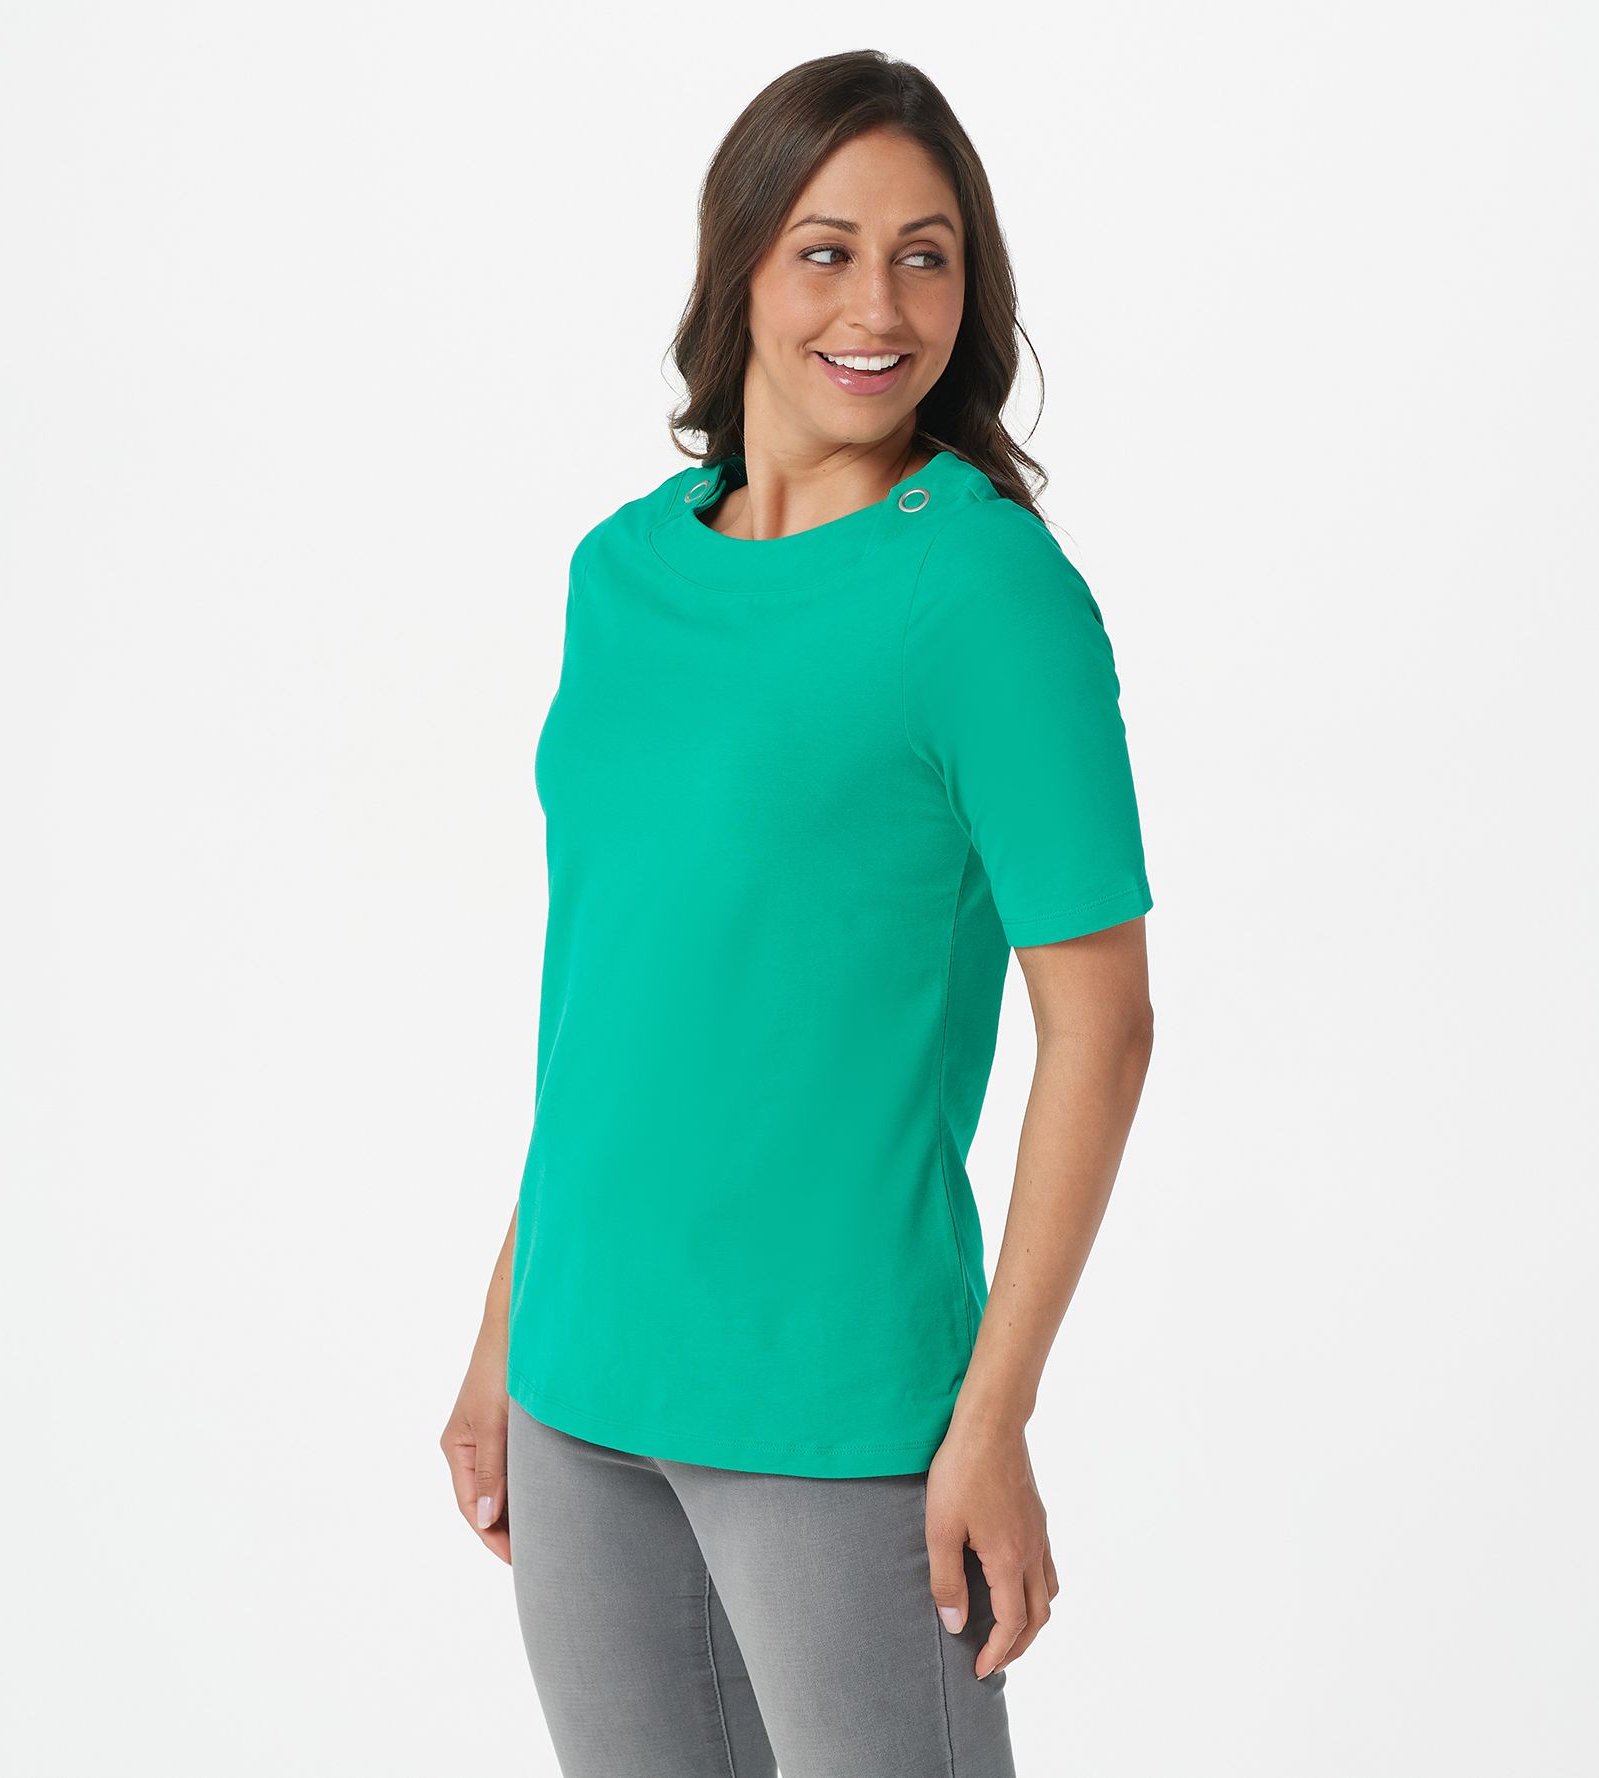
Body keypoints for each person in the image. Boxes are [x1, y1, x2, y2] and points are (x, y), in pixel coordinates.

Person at [441, 49, 1156, 1778]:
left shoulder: (984, 591)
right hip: (580, 1380)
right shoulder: (623, 572)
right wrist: (504, 1320)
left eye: (927, 256)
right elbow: (616, 990)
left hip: (836, 1409)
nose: (878, 306)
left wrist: (992, 1416)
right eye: (828, 250)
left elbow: (1103, 1026)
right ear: (743, 265)